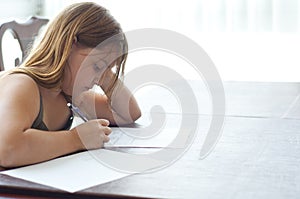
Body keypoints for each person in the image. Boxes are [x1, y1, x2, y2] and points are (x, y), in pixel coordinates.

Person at [0, 2, 141, 168]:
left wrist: (105, 68)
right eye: (96, 67)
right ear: (68, 45)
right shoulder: (23, 84)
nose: (98, 80)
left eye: (104, 72)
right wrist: (76, 139)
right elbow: (7, 149)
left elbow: (128, 114)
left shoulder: (68, 94)